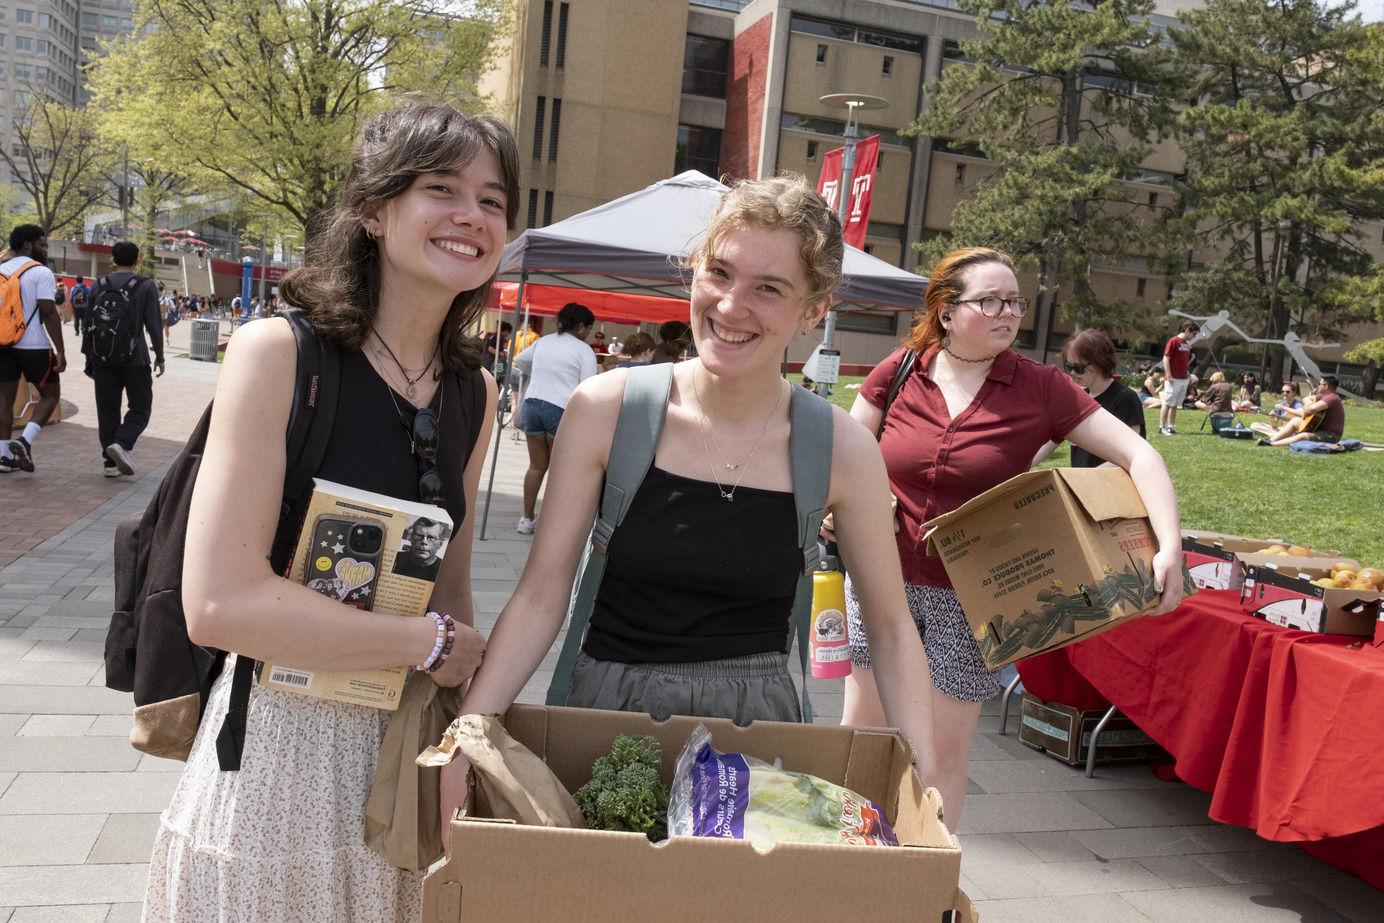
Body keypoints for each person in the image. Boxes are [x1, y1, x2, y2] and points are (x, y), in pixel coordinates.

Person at [441, 174, 940, 846]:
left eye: (769, 287)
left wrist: (925, 778)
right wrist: (468, 734)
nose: (732, 305)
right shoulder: (608, 410)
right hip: (607, 720)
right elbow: (539, 595)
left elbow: (889, 626)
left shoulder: (840, 447)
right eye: (720, 272)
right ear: (692, 273)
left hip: (756, 740)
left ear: (814, 307)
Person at [141, 101, 515, 920]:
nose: (471, 216)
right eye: (441, 188)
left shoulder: (473, 391)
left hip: (403, 759)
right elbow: (219, 604)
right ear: (375, 211)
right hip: (279, 754)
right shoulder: (281, 354)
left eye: (492, 200)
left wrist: (463, 722)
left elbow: (446, 587)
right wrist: (427, 643)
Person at [837, 247, 1184, 829]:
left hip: (971, 598)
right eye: (989, 300)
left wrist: (1167, 545)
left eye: (1015, 301)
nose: (1008, 313)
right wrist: (841, 504)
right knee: (861, 739)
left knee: (940, 758)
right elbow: (843, 454)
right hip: (879, 579)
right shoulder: (900, 369)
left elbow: (1139, 455)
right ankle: (841, 864)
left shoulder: (1039, 388)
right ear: (947, 312)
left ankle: (925, 880)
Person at [510, 302, 597, 535]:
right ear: (580, 327)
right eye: (588, 328)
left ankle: (526, 519)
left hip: (532, 404)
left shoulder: (543, 341)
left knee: (537, 466)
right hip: (560, 409)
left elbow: (519, 360)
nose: (588, 333)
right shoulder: (583, 350)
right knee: (560, 470)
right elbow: (589, 385)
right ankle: (550, 524)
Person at [86, 241, 166, 477]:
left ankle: (109, 464)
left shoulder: (98, 284)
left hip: (102, 356)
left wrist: (89, 357)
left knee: (107, 409)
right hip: (135, 357)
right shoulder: (145, 286)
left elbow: (89, 322)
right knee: (141, 407)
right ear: (137, 259)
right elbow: (153, 324)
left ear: (113, 259)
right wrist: (160, 356)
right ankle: (121, 443)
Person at [0, 225, 64, 474]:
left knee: (4, 399)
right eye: (43, 244)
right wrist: (60, 349)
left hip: (3, 343)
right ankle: (24, 440)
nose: (45, 249)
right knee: (50, 395)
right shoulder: (41, 272)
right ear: (27, 244)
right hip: (34, 345)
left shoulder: (1, 269)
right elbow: (48, 311)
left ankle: (4, 456)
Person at [1055, 329, 1146, 468]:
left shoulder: (1125, 399)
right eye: (1069, 366)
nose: (1072, 373)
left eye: (1078, 368)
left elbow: (1133, 454)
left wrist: (1086, 478)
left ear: (1099, 362)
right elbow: (1051, 441)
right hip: (1084, 484)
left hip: (1110, 486)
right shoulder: (1078, 399)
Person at [1253, 375, 1346, 446]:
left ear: (1326, 386)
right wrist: (1309, 404)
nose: (1318, 386)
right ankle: (1271, 440)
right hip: (1319, 429)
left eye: (1319, 384)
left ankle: (1271, 444)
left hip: (1331, 435)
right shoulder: (1322, 396)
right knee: (1295, 421)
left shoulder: (1332, 398)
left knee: (1303, 436)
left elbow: (1310, 410)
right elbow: (1306, 398)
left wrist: (1308, 406)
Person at [1159, 320, 1199, 434]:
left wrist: (1188, 375)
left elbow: (1184, 362)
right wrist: (1169, 375)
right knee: (1167, 403)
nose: (1193, 336)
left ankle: (1171, 426)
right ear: (1187, 330)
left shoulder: (1186, 344)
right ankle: (1162, 427)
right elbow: (1166, 358)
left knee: (1175, 404)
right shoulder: (1173, 341)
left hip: (1183, 379)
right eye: (1193, 334)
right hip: (1173, 379)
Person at [392, 517, 450, 581]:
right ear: (411, 539)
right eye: (419, 536)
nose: (424, 541)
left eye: (431, 537)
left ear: (440, 544)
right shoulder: (395, 559)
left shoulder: (444, 570)